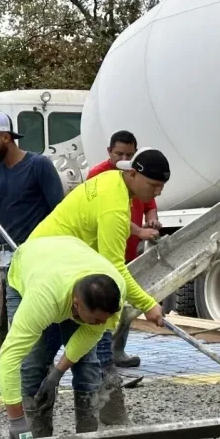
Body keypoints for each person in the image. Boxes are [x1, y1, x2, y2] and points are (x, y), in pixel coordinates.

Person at [28, 148, 171, 423]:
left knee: (85, 347)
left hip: (60, 263)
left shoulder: (112, 182)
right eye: (153, 185)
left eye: (161, 186)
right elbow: (113, 269)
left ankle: (94, 424)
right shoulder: (114, 206)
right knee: (64, 352)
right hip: (50, 270)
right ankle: (104, 421)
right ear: (133, 174)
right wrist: (147, 304)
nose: (158, 192)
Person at [0, 235, 127, 439]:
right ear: (76, 304)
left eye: (104, 319)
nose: (102, 324)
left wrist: (56, 374)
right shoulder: (42, 300)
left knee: (87, 365)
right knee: (33, 364)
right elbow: (8, 358)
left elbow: (88, 336)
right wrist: (16, 421)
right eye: (97, 319)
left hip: (67, 258)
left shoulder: (114, 291)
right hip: (31, 266)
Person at [85, 130, 162, 370]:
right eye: (119, 154)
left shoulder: (140, 177)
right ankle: (96, 358)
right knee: (101, 301)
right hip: (102, 254)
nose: (124, 159)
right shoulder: (99, 176)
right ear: (109, 151)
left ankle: (115, 351)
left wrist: (152, 219)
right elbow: (109, 215)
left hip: (126, 252)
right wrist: (139, 231)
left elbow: (150, 206)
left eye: (129, 155)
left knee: (123, 300)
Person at [0, 111, 64, 246]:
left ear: (6, 138)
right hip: (6, 250)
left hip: (36, 248)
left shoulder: (39, 165)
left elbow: (60, 212)